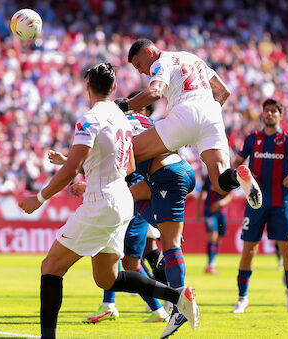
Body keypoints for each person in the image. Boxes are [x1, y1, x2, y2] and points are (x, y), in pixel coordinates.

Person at [18, 63, 198, 339]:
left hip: (101, 201)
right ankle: (177, 295)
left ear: (87, 86)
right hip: (122, 199)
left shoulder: (89, 119)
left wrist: (39, 198)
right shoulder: (121, 118)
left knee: (51, 267)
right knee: (107, 278)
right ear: (114, 88)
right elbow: (129, 166)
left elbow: (69, 169)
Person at [117, 38, 262, 210]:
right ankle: (238, 176)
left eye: (139, 64)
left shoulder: (161, 61)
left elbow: (155, 92)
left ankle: (112, 198)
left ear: (149, 52)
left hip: (185, 112)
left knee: (127, 152)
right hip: (212, 115)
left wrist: (123, 106)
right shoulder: (191, 58)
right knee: (220, 183)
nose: (141, 71)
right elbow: (223, 91)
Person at [81, 92, 169, 325]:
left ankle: (168, 299)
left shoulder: (124, 122)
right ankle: (151, 306)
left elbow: (108, 158)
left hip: (131, 199)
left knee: (128, 258)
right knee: (124, 257)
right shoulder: (151, 126)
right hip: (138, 197)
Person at [231, 98, 288, 313]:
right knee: (249, 250)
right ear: (262, 114)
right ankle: (242, 297)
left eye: (273, 111)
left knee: (287, 249)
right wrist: (242, 176)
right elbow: (236, 165)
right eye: (266, 111)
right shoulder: (252, 139)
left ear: (280, 115)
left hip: (280, 204)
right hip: (255, 203)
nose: (269, 114)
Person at [195, 176, 233, 274]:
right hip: (209, 212)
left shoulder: (227, 176)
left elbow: (230, 195)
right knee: (213, 236)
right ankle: (210, 264)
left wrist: (221, 203)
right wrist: (198, 210)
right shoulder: (209, 178)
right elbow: (201, 193)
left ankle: (212, 262)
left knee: (219, 238)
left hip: (222, 213)